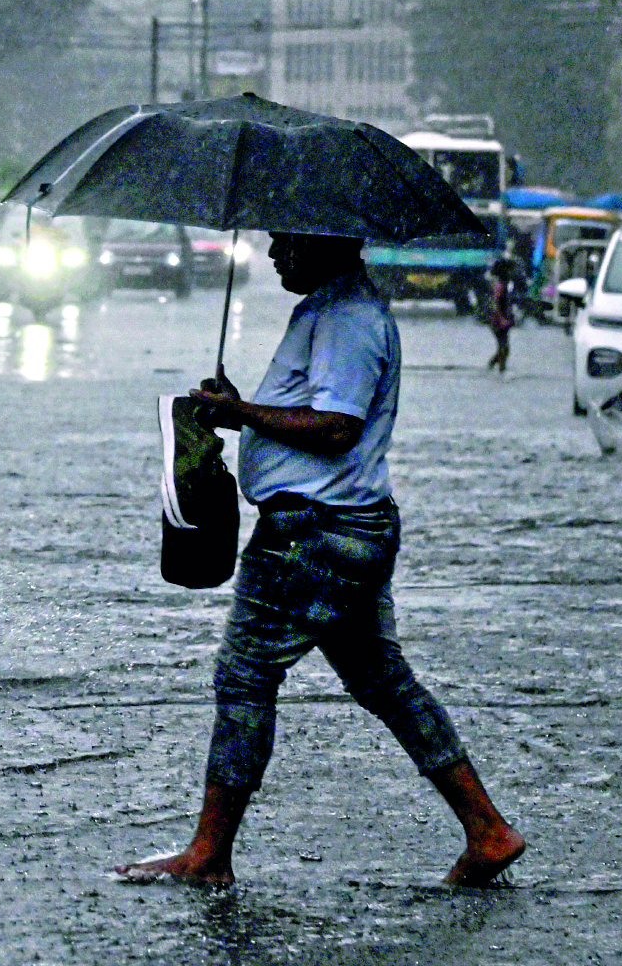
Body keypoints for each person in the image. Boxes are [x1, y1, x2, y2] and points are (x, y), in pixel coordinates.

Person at [117, 232, 526, 888]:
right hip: (343, 529)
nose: (275, 252)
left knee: (245, 676)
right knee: (384, 681)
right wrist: (239, 405)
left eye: (287, 241)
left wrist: (242, 410)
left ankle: (208, 853)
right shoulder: (332, 308)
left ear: (329, 241)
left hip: (313, 535)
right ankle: (487, 830)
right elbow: (317, 413)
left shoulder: (347, 318)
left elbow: (338, 429)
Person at [483, 256, 517, 374]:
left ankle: (492, 366)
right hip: (497, 320)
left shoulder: (504, 284)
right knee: (504, 347)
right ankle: (500, 370)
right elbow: (496, 303)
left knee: (503, 347)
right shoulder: (499, 285)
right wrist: (502, 318)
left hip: (501, 319)